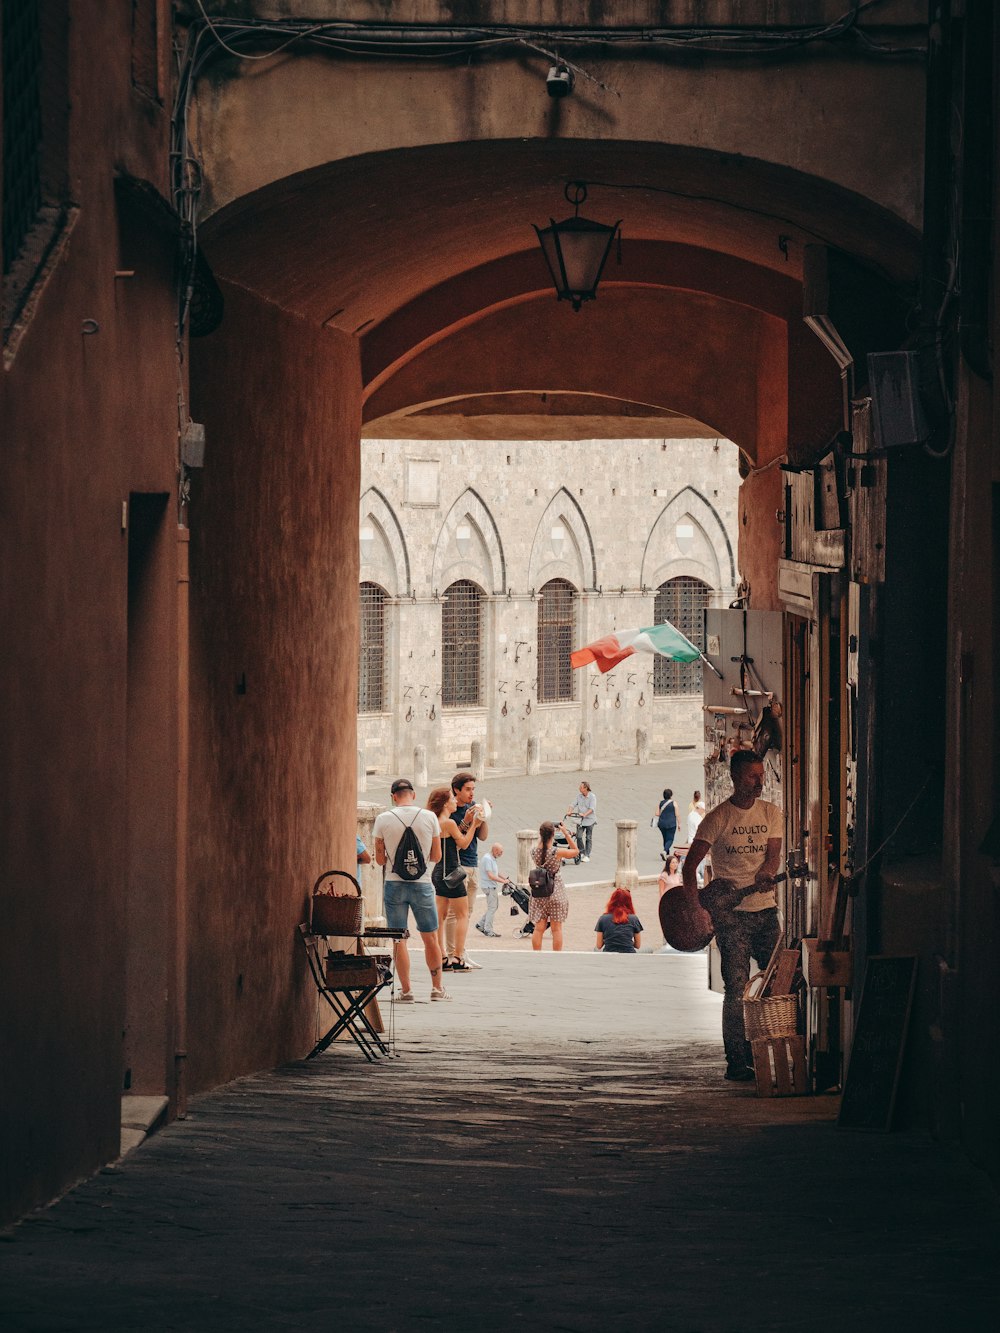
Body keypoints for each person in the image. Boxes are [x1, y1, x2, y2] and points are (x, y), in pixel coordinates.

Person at [682, 751, 783, 1082]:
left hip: (765, 910)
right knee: (735, 987)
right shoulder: (717, 819)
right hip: (731, 916)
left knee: (779, 982)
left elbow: (772, 857)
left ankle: (773, 1051)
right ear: (736, 779)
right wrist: (697, 909)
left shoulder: (771, 813)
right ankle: (737, 1061)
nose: (759, 782)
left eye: (761, 776)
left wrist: (767, 872)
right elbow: (689, 867)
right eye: (752, 776)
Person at [372, 778, 447, 1002]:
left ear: (393, 796)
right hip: (422, 884)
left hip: (394, 885)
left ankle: (406, 991)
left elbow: (379, 859)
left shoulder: (383, 819)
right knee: (430, 937)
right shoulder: (429, 816)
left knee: (398, 939)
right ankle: (436, 989)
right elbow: (436, 856)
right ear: (413, 794)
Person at [426, 785, 483, 973]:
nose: (455, 802)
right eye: (451, 799)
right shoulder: (448, 823)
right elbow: (464, 843)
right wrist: (474, 824)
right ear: (444, 803)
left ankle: (443, 957)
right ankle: (458, 957)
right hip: (452, 872)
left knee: (440, 918)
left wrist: (466, 823)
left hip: (438, 872)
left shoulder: (433, 821)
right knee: (462, 915)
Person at [445, 771, 490, 969]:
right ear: (457, 790)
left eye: (474, 789)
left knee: (468, 912)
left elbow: (483, 837)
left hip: (473, 863)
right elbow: (457, 841)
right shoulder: (450, 810)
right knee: (455, 914)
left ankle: (460, 951)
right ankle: (452, 953)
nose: (472, 794)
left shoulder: (473, 807)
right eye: (468, 789)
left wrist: (484, 817)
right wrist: (468, 820)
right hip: (457, 865)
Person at [529, 820, 577, 951]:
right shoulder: (557, 852)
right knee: (556, 929)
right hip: (556, 891)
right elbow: (575, 851)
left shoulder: (534, 852)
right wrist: (565, 833)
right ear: (553, 834)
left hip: (540, 892)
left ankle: (537, 955)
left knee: (539, 929)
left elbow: (541, 845)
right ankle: (556, 956)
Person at [595, 887, 644, 953]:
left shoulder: (603, 918)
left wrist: (610, 939)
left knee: (595, 949)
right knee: (649, 949)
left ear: (612, 901)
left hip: (608, 953)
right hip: (629, 953)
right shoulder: (633, 918)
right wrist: (625, 941)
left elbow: (599, 945)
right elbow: (638, 945)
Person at [475, 842, 505, 937]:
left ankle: (480, 924)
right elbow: (491, 875)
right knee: (492, 908)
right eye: (500, 852)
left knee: (493, 907)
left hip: (490, 886)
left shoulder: (492, 858)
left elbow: (495, 872)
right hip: (489, 886)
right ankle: (488, 929)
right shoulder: (488, 859)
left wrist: (504, 878)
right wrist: (503, 881)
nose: (501, 854)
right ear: (495, 851)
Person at [566, 781, 597, 863]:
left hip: (590, 820)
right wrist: (569, 811)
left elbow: (592, 809)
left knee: (588, 837)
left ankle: (587, 855)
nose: (579, 788)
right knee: (579, 836)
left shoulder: (592, 797)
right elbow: (572, 804)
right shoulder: (579, 796)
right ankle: (582, 852)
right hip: (581, 820)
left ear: (586, 788)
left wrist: (584, 814)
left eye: (581, 787)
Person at [655, 788, 679, 858]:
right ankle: (665, 851)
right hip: (671, 824)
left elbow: (657, 813)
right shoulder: (674, 803)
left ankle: (667, 852)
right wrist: (679, 824)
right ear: (671, 795)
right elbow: (677, 814)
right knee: (670, 839)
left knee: (665, 837)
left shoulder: (661, 803)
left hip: (662, 824)